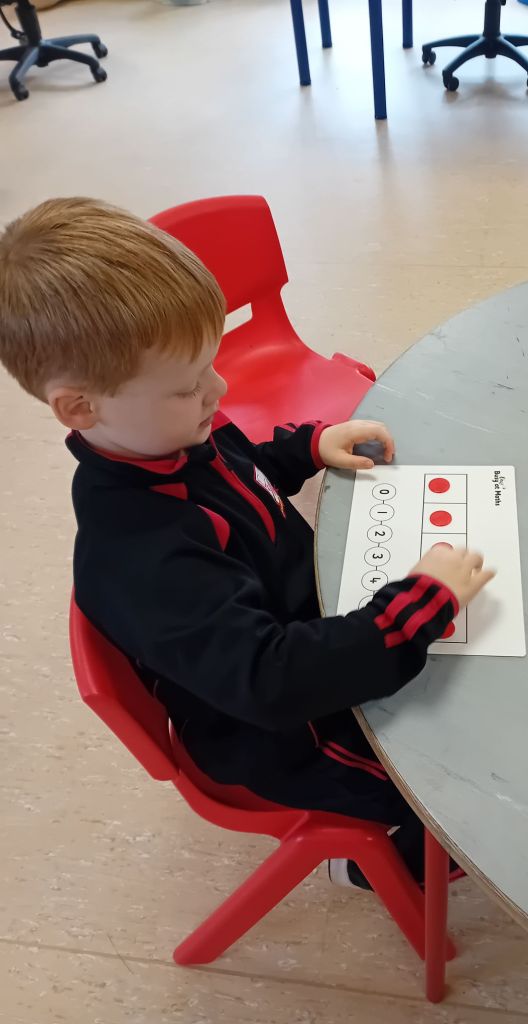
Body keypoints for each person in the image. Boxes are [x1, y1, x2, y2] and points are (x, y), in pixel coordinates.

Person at [0, 197, 494, 888]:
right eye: (187, 386)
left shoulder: (169, 435)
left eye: (210, 366)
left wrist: (307, 447)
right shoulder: (142, 555)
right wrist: (415, 609)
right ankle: (383, 870)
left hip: (309, 632)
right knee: (477, 790)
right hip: (288, 737)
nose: (219, 388)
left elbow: (243, 470)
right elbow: (273, 684)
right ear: (80, 407)